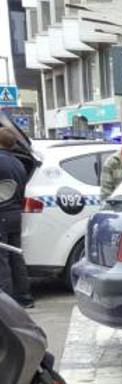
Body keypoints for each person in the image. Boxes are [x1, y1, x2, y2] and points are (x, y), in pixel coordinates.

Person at [0, 128, 34, 308]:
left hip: (2, 215)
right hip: (15, 215)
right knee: (16, 257)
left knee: (2, 259)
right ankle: (24, 296)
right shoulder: (19, 163)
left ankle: (6, 303)